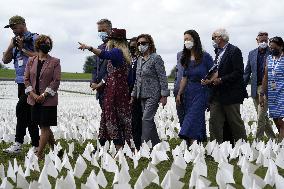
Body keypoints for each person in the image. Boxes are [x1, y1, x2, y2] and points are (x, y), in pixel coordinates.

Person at [78, 28, 132, 149]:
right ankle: (104, 146)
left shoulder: (117, 52)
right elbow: (122, 77)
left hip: (114, 91)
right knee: (116, 116)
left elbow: (103, 54)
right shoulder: (126, 54)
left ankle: (118, 147)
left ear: (114, 41)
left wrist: (89, 48)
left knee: (111, 116)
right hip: (121, 90)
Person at [2, 15, 39, 154]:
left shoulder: (35, 38)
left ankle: (18, 142)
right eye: (11, 27)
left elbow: (42, 56)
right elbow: (5, 60)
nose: (13, 29)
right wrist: (12, 45)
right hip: (20, 82)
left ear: (23, 24)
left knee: (20, 109)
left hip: (33, 82)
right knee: (28, 115)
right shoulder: (15, 41)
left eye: (15, 26)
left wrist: (23, 49)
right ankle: (36, 145)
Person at [203, 28, 247, 143]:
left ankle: (242, 148)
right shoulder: (218, 52)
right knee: (214, 121)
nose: (212, 40)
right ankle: (215, 147)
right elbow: (217, 70)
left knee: (234, 122)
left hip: (231, 93)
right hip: (217, 93)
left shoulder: (234, 51)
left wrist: (221, 79)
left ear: (221, 38)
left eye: (214, 37)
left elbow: (238, 72)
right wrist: (209, 80)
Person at [24, 35, 61, 159]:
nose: (47, 45)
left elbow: (56, 81)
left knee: (45, 126)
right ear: (38, 45)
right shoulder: (31, 61)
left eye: (49, 43)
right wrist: (33, 95)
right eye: (45, 43)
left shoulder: (55, 61)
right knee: (42, 125)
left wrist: (44, 94)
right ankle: (55, 149)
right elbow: (26, 80)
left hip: (48, 99)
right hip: (34, 99)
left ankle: (39, 154)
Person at [131, 34, 170, 147]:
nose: (140, 45)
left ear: (150, 44)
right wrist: (133, 95)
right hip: (142, 95)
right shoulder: (139, 60)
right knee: (149, 120)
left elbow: (162, 77)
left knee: (146, 119)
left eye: (143, 43)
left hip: (154, 94)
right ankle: (157, 145)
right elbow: (137, 79)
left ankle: (143, 146)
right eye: (139, 43)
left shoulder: (156, 58)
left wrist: (164, 95)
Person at [176, 30, 214, 144]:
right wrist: (179, 93)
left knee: (192, 117)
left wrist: (209, 81)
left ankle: (193, 146)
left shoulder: (205, 56)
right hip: (189, 92)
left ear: (195, 40)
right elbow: (184, 78)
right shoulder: (186, 58)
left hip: (201, 91)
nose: (186, 42)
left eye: (188, 39)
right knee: (196, 118)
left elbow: (215, 72)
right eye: (185, 40)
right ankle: (198, 143)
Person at [244, 32, 275, 139]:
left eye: (265, 41)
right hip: (254, 87)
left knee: (260, 116)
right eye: (261, 40)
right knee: (262, 116)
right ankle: (273, 138)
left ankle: (258, 140)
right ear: (257, 40)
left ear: (268, 41)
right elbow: (247, 72)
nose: (263, 42)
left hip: (266, 87)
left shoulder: (272, 53)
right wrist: (242, 86)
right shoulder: (251, 53)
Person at [260, 36, 284, 138]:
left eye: (274, 48)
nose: (272, 50)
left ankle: (281, 143)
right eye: (271, 48)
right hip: (272, 94)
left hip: (282, 93)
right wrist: (262, 93)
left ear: (281, 47)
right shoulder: (269, 58)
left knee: (281, 120)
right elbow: (266, 77)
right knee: (275, 119)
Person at [90, 19, 112, 107]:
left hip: (110, 89)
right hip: (100, 92)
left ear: (110, 30)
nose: (101, 33)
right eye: (99, 31)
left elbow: (112, 70)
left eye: (103, 30)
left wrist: (100, 84)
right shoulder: (99, 47)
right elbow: (95, 68)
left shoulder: (115, 48)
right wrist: (93, 82)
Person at [128, 37, 143, 149]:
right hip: (130, 93)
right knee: (133, 121)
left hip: (138, 94)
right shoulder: (131, 60)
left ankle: (138, 145)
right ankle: (136, 143)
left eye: (134, 47)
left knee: (137, 121)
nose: (132, 49)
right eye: (130, 47)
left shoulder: (141, 60)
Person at [174, 51, 185, 126]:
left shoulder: (202, 55)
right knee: (181, 118)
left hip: (192, 92)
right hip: (178, 92)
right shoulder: (179, 54)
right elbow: (177, 74)